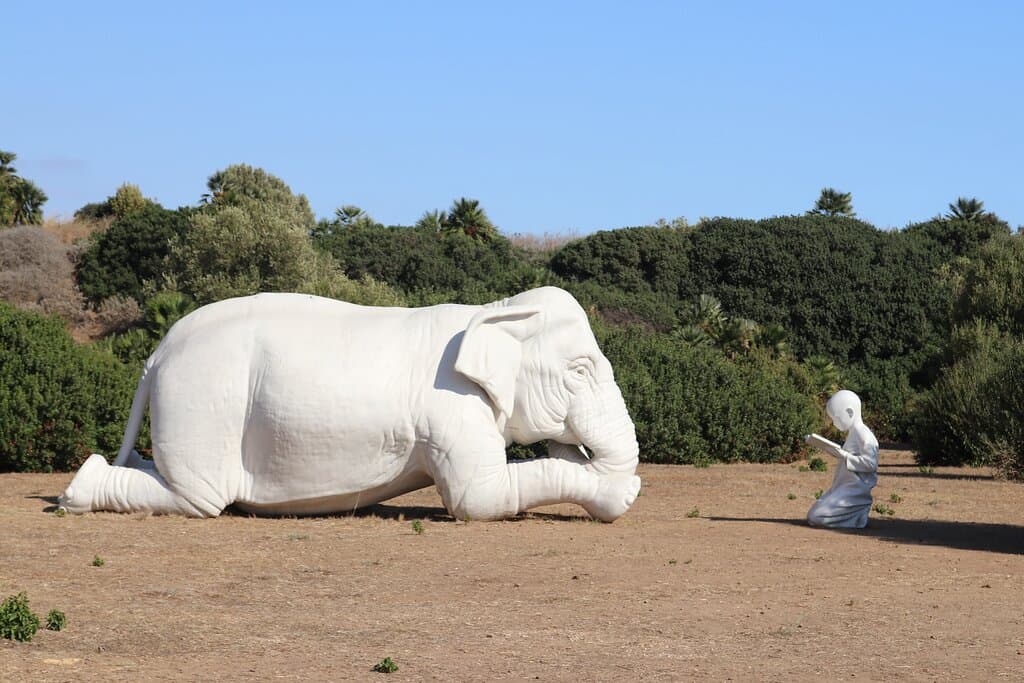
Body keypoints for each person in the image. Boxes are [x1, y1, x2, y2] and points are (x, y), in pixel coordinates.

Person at [806, 389, 878, 529]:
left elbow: (871, 464)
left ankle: (857, 513)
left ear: (850, 412)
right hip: (843, 486)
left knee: (816, 517)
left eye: (836, 418)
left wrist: (842, 455)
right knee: (814, 514)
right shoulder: (853, 433)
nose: (834, 424)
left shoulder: (864, 435)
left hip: (855, 490)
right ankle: (854, 515)